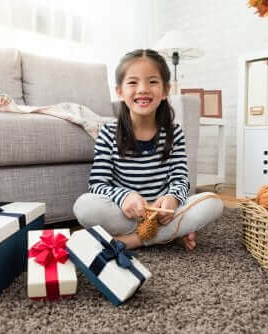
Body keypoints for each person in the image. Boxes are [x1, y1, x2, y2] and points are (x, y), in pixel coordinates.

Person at [73, 49, 223, 251]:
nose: (143, 89)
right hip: (125, 215)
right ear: (119, 91)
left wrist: (172, 199)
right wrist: (124, 196)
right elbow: (97, 185)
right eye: (133, 82)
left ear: (164, 91)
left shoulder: (174, 133)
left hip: (163, 216)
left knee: (213, 202)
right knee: (84, 206)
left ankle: (134, 240)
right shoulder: (108, 132)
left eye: (152, 82)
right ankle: (170, 236)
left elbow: (180, 180)